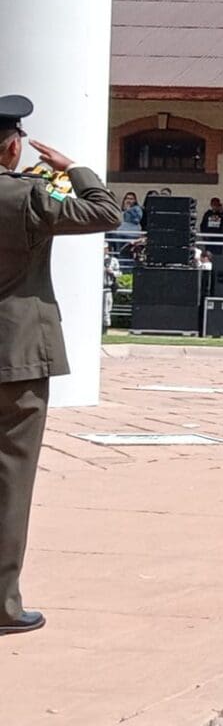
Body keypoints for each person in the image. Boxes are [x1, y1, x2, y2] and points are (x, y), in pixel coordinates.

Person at [0, 98, 121, 637]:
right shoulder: (26, 196)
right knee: (10, 480)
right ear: (12, 144)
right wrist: (72, 169)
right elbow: (105, 212)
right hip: (16, 355)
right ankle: (2, 605)